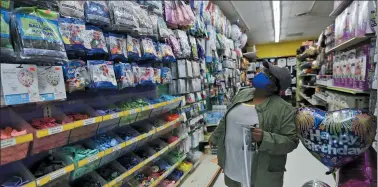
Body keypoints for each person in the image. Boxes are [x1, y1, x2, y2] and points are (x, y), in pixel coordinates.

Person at [209, 61, 299, 187]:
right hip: (233, 163)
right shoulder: (243, 93)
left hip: (260, 173)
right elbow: (227, 118)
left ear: (274, 87)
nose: (261, 73)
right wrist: (215, 136)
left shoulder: (285, 109)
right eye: (263, 70)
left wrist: (264, 138)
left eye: (268, 74)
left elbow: (291, 142)